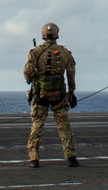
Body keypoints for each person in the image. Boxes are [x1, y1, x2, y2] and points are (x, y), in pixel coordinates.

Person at [23, 22, 78, 168]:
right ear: (56, 34)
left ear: (43, 35)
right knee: (64, 127)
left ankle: (34, 158)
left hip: (40, 94)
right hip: (59, 96)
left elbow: (28, 72)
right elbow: (71, 75)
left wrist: (32, 79)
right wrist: (72, 92)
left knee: (37, 126)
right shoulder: (65, 53)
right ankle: (71, 157)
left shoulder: (35, 52)